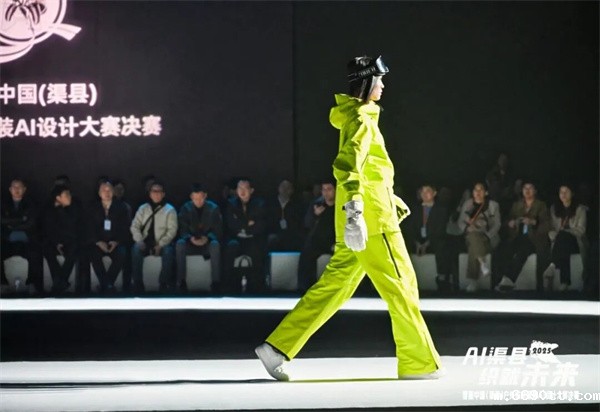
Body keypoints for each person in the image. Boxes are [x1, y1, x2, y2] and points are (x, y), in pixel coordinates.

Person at [255, 55, 442, 381]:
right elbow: (347, 166)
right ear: (367, 82)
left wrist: (381, 201)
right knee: (402, 286)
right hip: (373, 221)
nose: (383, 85)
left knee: (334, 287)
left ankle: (277, 347)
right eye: (379, 80)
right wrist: (358, 211)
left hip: (364, 216)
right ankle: (418, 363)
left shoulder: (356, 117)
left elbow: (367, 169)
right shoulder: (361, 118)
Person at [495, 180, 550, 292]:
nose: (527, 191)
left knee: (523, 250)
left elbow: (546, 225)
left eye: (530, 188)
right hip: (517, 237)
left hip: (534, 239)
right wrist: (511, 223)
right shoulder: (517, 205)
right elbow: (507, 221)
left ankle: (508, 279)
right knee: (504, 250)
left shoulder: (541, 205)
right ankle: (500, 279)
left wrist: (533, 222)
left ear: (535, 191)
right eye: (525, 188)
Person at [130, 181, 177, 293]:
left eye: (159, 191)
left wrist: (160, 244)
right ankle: (138, 283)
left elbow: (172, 230)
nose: (156, 193)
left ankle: (164, 283)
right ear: (150, 194)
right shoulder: (143, 208)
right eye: (154, 191)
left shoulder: (170, 210)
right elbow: (134, 226)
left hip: (161, 242)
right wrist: (139, 240)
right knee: (136, 249)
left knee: (168, 251)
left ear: (163, 194)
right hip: (145, 241)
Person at [175, 183, 223, 292]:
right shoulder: (186, 208)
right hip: (190, 243)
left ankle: (216, 282)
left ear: (205, 196)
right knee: (180, 244)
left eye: (201, 198)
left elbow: (218, 229)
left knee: (215, 245)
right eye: (195, 199)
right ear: (191, 197)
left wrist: (207, 238)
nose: (198, 201)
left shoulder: (213, 208)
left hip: (207, 243)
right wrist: (190, 238)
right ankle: (181, 281)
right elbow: (182, 229)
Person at [223, 179, 267, 293]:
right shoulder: (231, 203)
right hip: (236, 238)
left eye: (245, 188)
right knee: (230, 246)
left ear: (251, 190)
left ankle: (257, 285)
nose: (242, 191)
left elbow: (260, 225)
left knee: (257, 249)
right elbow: (231, 224)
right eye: (239, 188)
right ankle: (229, 285)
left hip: (253, 238)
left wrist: (242, 224)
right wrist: (248, 223)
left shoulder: (259, 204)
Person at [404, 184, 451, 290]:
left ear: (434, 193)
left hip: (434, 239)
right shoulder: (415, 210)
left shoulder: (441, 210)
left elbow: (440, 230)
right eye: (423, 191)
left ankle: (442, 277)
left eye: (428, 191)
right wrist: (417, 243)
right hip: (418, 239)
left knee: (442, 246)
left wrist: (426, 244)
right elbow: (411, 228)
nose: (425, 194)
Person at [87, 180, 130, 293]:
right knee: (93, 254)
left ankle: (106, 284)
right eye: (104, 190)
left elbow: (125, 227)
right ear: (99, 193)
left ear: (113, 192)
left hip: (115, 242)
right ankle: (107, 285)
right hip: (98, 242)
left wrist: (116, 241)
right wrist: (98, 242)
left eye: (109, 190)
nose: (107, 193)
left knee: (122, 253)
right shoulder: (93, 207)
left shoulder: (121, 207)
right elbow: (89, 227)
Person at [1, 178, 43, 293]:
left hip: (27, 241)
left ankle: (32, 284)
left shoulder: (31, 203)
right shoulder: (3, 203)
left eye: (19, 187)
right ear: (10, 189)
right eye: (14, 187)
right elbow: (2, 220)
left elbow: (31, 222)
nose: (16, 189)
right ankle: (2, 283)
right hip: (7, 241)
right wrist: (21, 220)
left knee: (36, 252)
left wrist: (11, 224)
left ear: (24, 189)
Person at [457, 182, 501, 292]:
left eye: (481, 190)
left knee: (473, 246)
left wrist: (487, 235)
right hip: (471, 235)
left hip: (487, 237)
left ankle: (473, 281)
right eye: (475, 190)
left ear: (486, 192)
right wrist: (467, 228)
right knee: (473, 237)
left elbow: (497, 224)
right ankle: (482, 264)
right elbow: (460, 222)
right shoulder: (468, 204)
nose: (478, 192)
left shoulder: (493, 205)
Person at [542, 184, 587, 291]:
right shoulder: (554, 209)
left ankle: (553, 265)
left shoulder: (580, 209)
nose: (563, 194)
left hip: (575, 241)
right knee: (563, 245)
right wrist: (552, 233)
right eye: (561, 192)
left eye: (566, 191)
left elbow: (581, 230)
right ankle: (564, 283)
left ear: (572, 193)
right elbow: (551, 228)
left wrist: (564, 232)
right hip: (560, 243)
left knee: (563, 236)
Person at [297, 180, 336, 292]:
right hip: (318, 240)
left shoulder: (340, 206)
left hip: (335, 240)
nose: (326, 192)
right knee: (306, 253)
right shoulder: (317, 204)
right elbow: (307, 223)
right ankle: (306, 287)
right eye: (324, 190)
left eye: (329, 189)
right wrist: (315, 215)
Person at [42, 185, 82, 293]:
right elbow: (48, 230)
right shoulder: (49, 210)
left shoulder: (73, 208)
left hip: (69, 241)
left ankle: (59, 281)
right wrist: (57, 243)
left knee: (74, 250)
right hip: (54, 242)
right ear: (58, 197)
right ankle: (61, 281)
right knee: (47, 249)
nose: (70, 197)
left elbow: (72, 227)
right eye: (66, 195)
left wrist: (61, 210)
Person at [266, 179, 304, 252]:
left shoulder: (296, 205)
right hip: (273, 234)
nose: (285, 190)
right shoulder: (270, 204)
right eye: (283, 186)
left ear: (292, 190)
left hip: (290, 235)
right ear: (278, 188)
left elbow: (298, 223)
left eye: (288, 187)